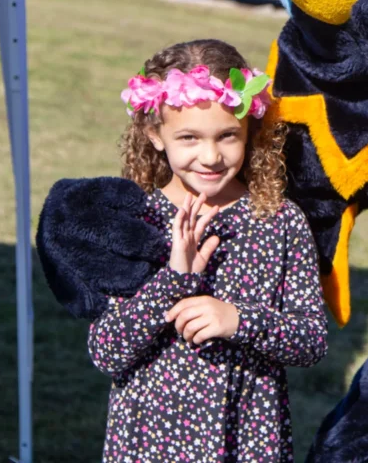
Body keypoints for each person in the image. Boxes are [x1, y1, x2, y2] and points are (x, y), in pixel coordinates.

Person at [75, 39, 328, 463]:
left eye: (227, 136)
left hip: (246, 438)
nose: (210, 156)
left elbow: (312, 341)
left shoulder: (279, 221)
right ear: (155, 134)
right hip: (149, 442)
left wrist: (238, 320)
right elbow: (107, 350)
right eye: (189, 137)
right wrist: (173, 282)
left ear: (249, 130)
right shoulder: (132, 221)